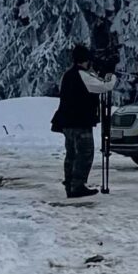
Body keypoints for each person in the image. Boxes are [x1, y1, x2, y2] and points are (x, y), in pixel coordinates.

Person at [53, 44, 113, 200]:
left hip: (67, 122)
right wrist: (112, 77)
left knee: (71, 154)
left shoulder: (68, 75)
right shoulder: (83, 75)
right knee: (84, 154)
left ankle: (70, 184)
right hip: (80, 121)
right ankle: (77, 186)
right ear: (85, 61)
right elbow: (104, 87)